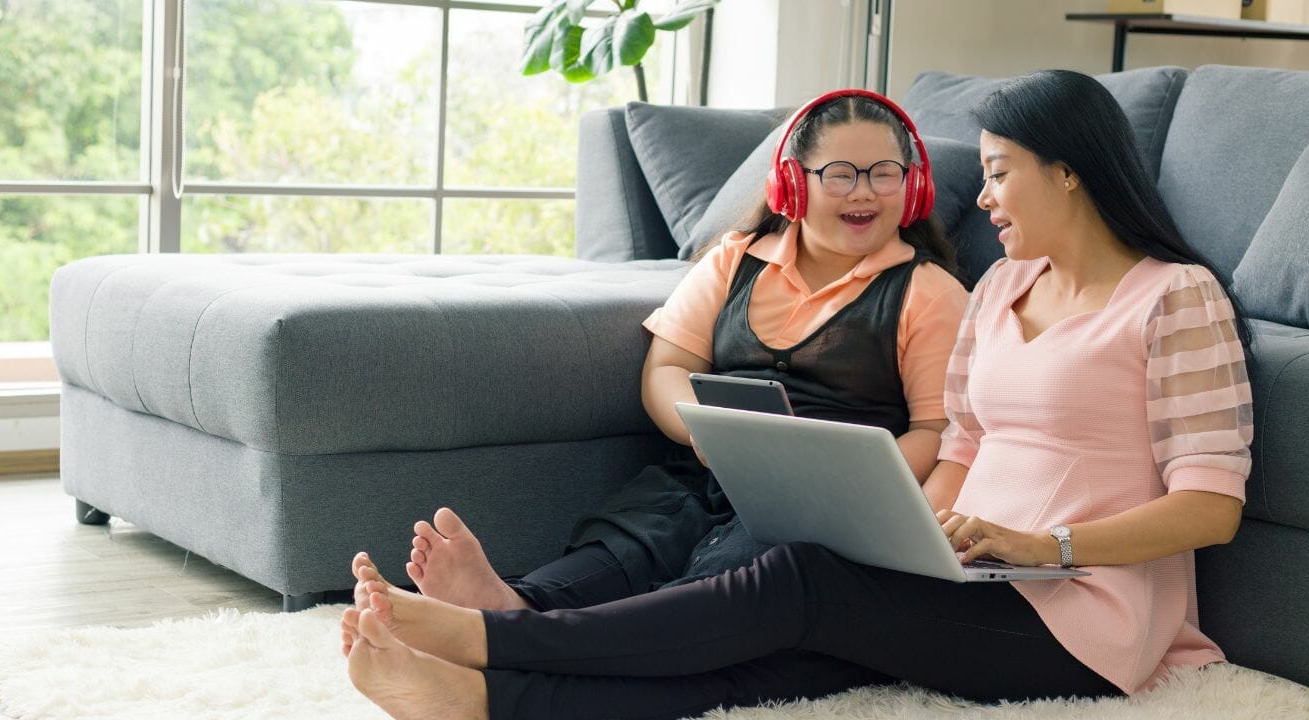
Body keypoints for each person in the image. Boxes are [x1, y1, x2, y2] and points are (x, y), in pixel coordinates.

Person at [339, 70, 1254, 720]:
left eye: (1001, 170)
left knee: (797, 581)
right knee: (781, 653)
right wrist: (909, 529)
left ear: (1069, 170)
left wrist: (1043, 542)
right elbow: (964, 446)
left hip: (1085, 619)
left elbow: (1210, 509)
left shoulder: (1176, 299)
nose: (983, 200)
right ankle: (490, 700)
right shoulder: (1007, 291)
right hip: (974, 573)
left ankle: (498, 641)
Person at [399, 89, 968, 615]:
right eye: (840, 175)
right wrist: (701, 432)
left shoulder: (928, 292)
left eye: (885, 174)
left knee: (722, 581)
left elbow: (936, 430)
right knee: (636, 539)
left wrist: (853, 478)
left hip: (822, 505)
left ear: (912, 186)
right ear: (793, 185)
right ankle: (511, 602)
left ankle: (531, 636)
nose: (864, 191)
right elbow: (668, 368)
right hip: (708, 474)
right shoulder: (735, 259)